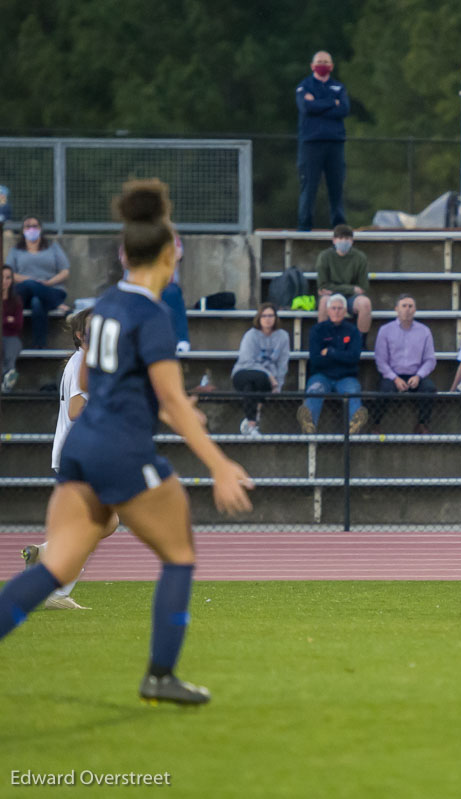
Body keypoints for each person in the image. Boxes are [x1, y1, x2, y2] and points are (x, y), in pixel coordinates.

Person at [0, 179, 254, 705]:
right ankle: (160, 675)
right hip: (122, 451)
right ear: (169, 254)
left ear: (123, 253)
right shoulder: (151, 314)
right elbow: (174, 402)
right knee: (179, 554)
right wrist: (220, 464)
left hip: (81, 448)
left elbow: (107, 382)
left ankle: (159, 674)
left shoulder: (107, 305)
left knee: (56, 567)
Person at [21, 308, 120, 611]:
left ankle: (47, 561)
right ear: (80, 335)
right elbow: (77, 410)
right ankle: (54, 587)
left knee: (105, 521)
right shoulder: (84, 364)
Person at [297, 293, 367, 434]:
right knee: (315, 391)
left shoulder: (353, 331)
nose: (336, 311)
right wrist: (342, 356)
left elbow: (354, 357)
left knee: (353, 393)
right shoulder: (317, 330)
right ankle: (309, 425)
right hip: (321, 375)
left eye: (340, 308)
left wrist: (330, 352)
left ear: (345, 310)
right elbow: (316, 359)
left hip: (347, 377)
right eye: (333, 308)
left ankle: (354, 426)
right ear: (328, 311)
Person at [296, 50, 350, 231]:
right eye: (319, 61)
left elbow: (343, 109)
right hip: (311, 144)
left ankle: (340, 226)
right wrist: (330, 103)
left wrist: (318, 103)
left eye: (326, 61)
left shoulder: (338, 88)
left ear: (332, 66)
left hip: (335, 143)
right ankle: (304, 226)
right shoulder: (304, 87)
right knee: (309, 186)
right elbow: (306, 108)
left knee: (336, 187)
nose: (322, 64)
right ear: (312, 66)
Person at [373, 294, 436, 434]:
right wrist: (394, 378)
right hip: (392, 375)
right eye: (404, 306)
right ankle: (375, 424)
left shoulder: (424, 331)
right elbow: (380, 359)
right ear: (397, 309)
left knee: (429, 389)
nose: (407, 310)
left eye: (410, 306)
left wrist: (419, 376)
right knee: (384, 390)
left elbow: (430, 359)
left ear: (415, 309)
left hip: (415, 375)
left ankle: (422, 424)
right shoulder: (385, 330)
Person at [5, 216, 70, 348]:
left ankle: (39, 345)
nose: (31, 229)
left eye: (35, 226)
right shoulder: (16, 250)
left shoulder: (53, 247)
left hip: (52, 289)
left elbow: (65, 271)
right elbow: (9, 273)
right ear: (22, 230)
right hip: (24, 293)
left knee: (37, 302)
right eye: (28, 226)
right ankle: (58, 304)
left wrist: (49, 282)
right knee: (30, 284)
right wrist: (32, 281)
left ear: (40, 229)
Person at [231, 303, 290, 435]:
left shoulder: (283, 336)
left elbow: (283, 362)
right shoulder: (251, 335)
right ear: (259, 318)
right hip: (243, 372)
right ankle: (254, 419)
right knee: (255, 379)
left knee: (250, 386)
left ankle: (251, 424)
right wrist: (269, 375)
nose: (267, 319)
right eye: (264, 316)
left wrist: (278, 385)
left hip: (264, 381)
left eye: (271, 315)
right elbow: (247, 361)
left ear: (275, 318)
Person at [316, 224, 372, 337]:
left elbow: (363, 287)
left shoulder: (360, 257)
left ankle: (361, 342)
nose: (343, 241)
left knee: (365, 303)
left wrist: (336, 288)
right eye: (340, 238)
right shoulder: (324, 256)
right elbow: (323, 286)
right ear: (334, 240)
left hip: (351, 298)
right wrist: (351, 289)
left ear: (352, 241)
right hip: (332, 296)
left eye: (347, 239)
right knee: (324, 302)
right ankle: (323, 339)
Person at [1, 265, 22, 392]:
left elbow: (18, 324)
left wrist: (3, 320)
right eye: (2, 277)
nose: (4, 281)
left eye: (8, 277)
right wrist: (7, 319)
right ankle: (6, 378)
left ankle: (8, 379)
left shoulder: (16, 300)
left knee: (11, 348)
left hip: (11, 337)